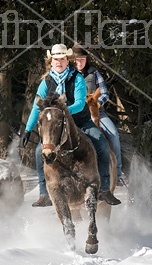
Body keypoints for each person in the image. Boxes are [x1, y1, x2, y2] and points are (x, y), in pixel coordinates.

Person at [22, 43, 121, 207]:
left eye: (62, 59)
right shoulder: (46, 82)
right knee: (39, 150)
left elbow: (80, 103)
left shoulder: (77, 78)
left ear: (68, 60)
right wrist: (27, 129)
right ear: (51, 61)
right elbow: (36, 107)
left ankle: (104, 189)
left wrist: (62, 112)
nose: (59, 62)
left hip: (81, 122)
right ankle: (44, 194)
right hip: (58, 126)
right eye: (55, 59)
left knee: (102, 145)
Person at [72, 44, 124, 185]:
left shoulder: (94, 73)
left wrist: (96, 104)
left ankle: (117, 174)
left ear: (86, 59)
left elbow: (105, 93)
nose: (80, 62)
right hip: (75, 114)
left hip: (96, 112)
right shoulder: (68, 74)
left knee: (114, 135)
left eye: (82, 59)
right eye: (77, 59)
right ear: (72, 60)